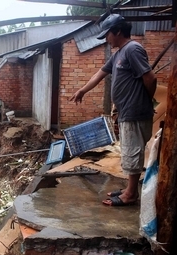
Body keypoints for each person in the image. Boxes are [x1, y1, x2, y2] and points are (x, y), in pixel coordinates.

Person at [69, 14, 157, 206]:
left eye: (107, 35)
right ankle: (130, 189)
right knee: (129, 151)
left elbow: (150, 78)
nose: (106, 40)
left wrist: (143, 100)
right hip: (127, 112)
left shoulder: (133, 49)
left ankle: (131, 195)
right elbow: (99, 74)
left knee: (133, 153)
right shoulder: (119, 54)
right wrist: (82, 90)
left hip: (135, 111)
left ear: (117, 31)